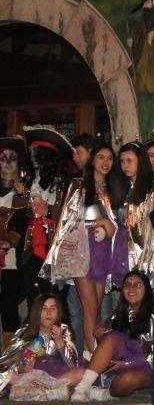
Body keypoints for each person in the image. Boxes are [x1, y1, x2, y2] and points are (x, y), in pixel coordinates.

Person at [46, 143, 126, 356]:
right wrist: (100, 221)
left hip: (102, 255)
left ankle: (90, 354)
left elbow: (118, 223)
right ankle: (90, 358)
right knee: (89, 307)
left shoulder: (113, 189)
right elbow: (69, 219)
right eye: (101, 157)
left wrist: (110, 226)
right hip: (81, 252)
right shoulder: (79, 185)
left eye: (109, 158)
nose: (105, 162)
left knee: (97, 308)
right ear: (92, 160)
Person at [71, 270, 154, 401]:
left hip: (146, 367)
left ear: (147, 289)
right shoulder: (118, 314)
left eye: (137, 285)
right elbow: (105, 344)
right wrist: (100, 332)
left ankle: (102, 395)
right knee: (111, 338)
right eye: (127, 285)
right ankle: (82, 388)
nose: (131, 288)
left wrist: (127, 363)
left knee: (127, 380)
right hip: (114, 365)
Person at [22, 126, 74, 305]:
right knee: (34, 297)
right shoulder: (29, 182)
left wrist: (49, 211)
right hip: (31, 246)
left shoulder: (64, 184)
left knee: (53, 299)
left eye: (36, 151)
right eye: (31, 151)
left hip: (54, 246)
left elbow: (72, 215)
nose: (31, 155)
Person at [0, 293, 81, 396]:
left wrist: (60, 341)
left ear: (58, 312)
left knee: (80, 373)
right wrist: (21, 368)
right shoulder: (25, 331)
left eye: (53, 308)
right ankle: (46, 392)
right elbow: (6, 361)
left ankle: (38, 392)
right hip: (28, 377)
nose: (49, 313)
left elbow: (73, 365)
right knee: (8, 376)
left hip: (55, 376)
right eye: (44, 308)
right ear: (37, 312)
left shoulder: (63, 329)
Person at [0, 137, 28, 351]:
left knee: (9, 309)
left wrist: (8, 242)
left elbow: (23, 227)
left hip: (10, 261)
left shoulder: (23, 193)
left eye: (12, 159)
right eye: (3, 159)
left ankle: (9, 361)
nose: (8, 163)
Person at [118, 142, 154, 285]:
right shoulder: (122, 187)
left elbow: (149, 230)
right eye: (122, 161)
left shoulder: (151, 190)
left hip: (144, 254)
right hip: (121, 252)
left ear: (140, 161)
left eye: (129, 161)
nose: (125, 165)